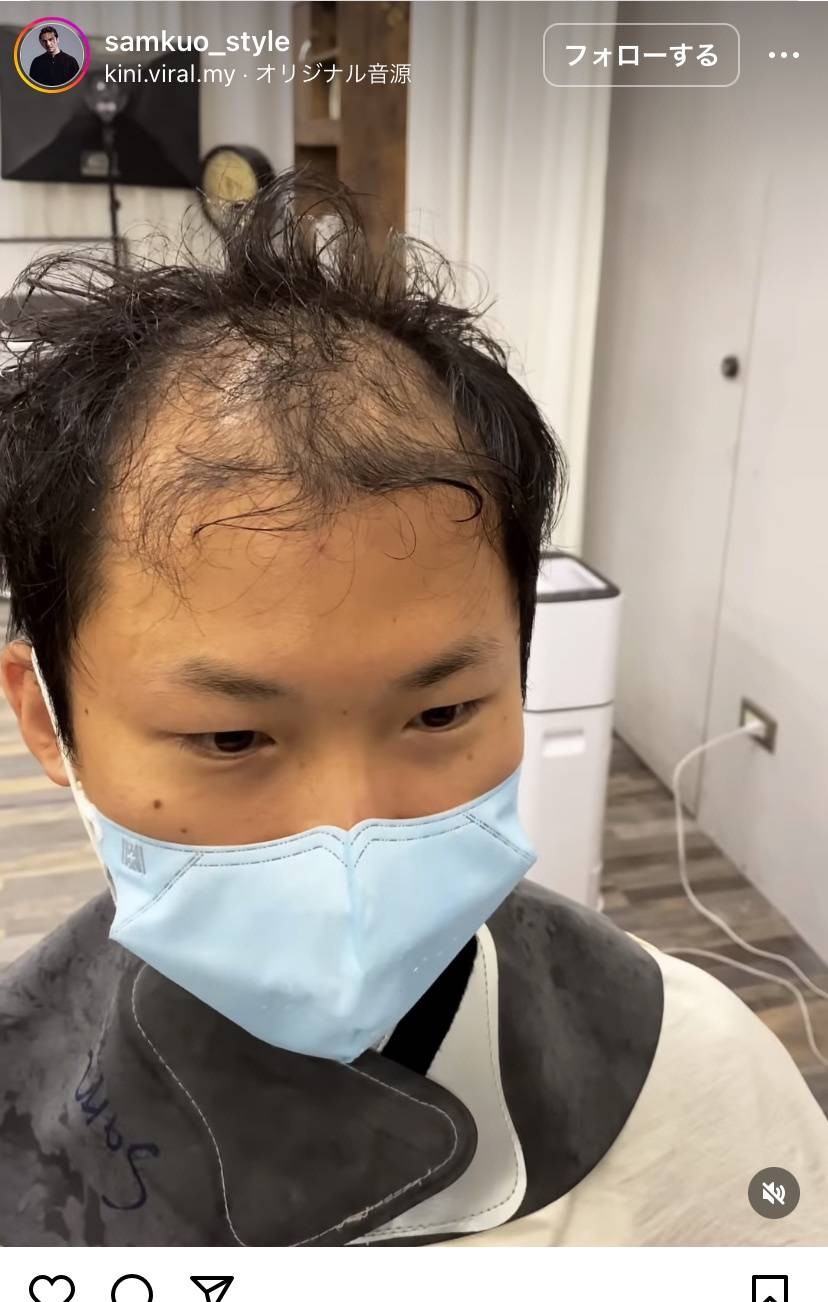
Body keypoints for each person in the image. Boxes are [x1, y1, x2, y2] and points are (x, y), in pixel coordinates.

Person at [0, 170, 826, 1248]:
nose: (352, 834)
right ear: (45, 717)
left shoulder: (693, 1077)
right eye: (232, 737)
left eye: (440, 716)